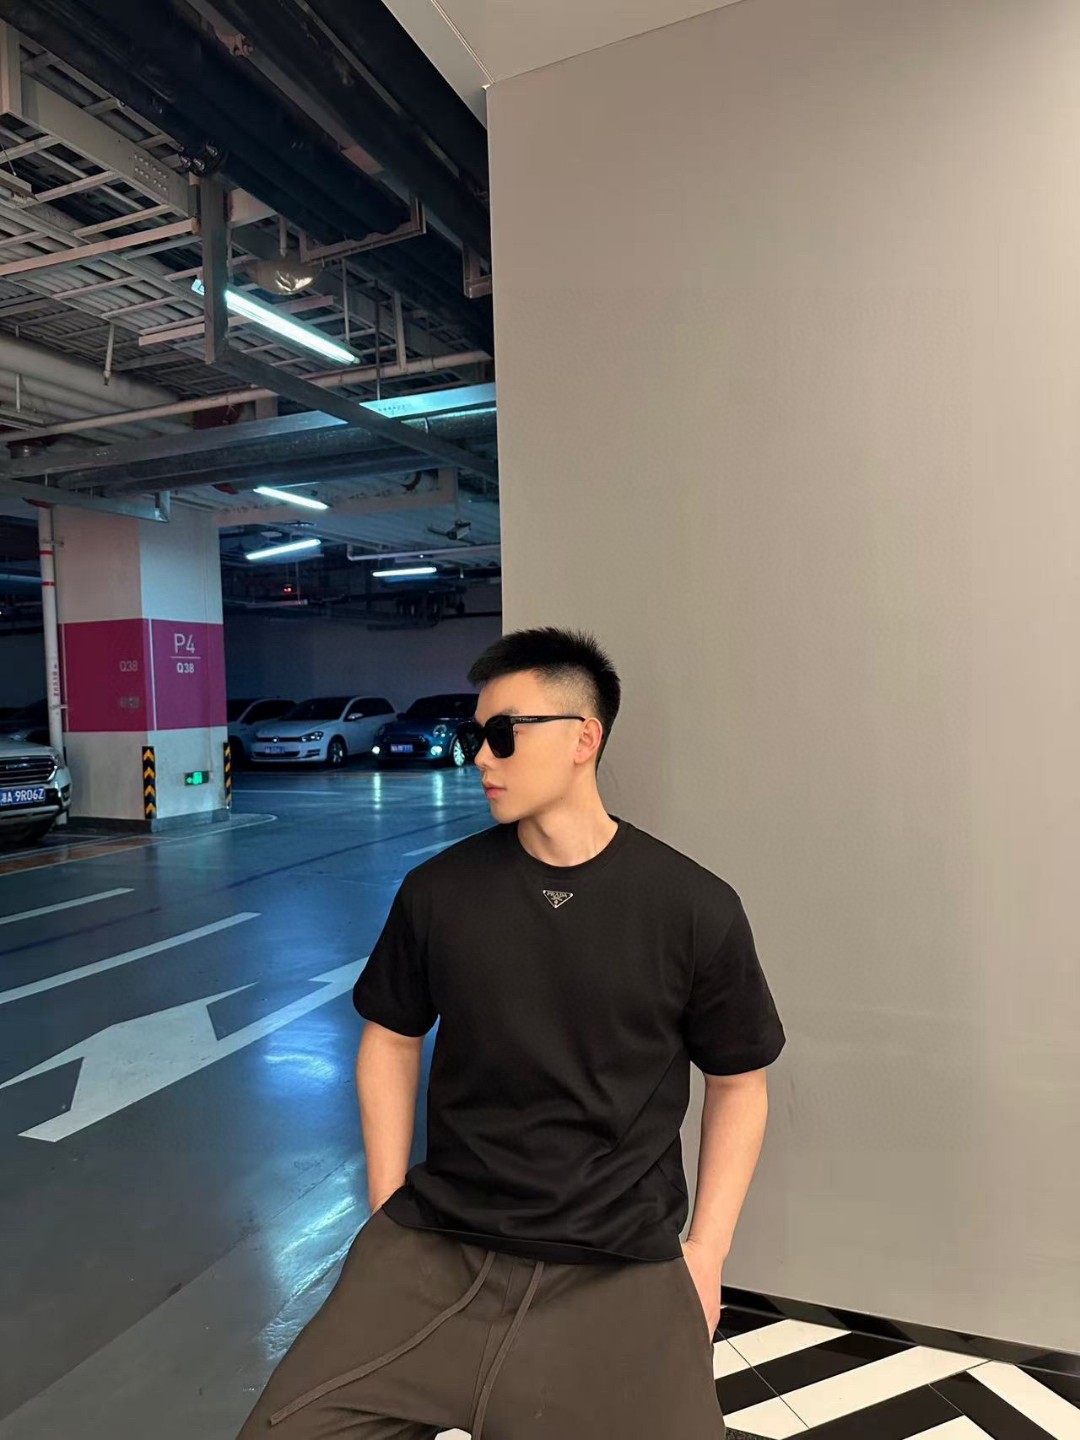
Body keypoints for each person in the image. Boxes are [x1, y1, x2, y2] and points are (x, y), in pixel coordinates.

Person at [238, 626, 785, 1439]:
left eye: (502, 734)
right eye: (474, 736)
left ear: (583, 739)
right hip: (439, 1242)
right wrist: (386, 1207)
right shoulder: (438, 892)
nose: (480, 758)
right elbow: (390, 1037)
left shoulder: (693, 907)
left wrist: (706, 1253)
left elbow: (739, 1083)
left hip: (619, 1262)